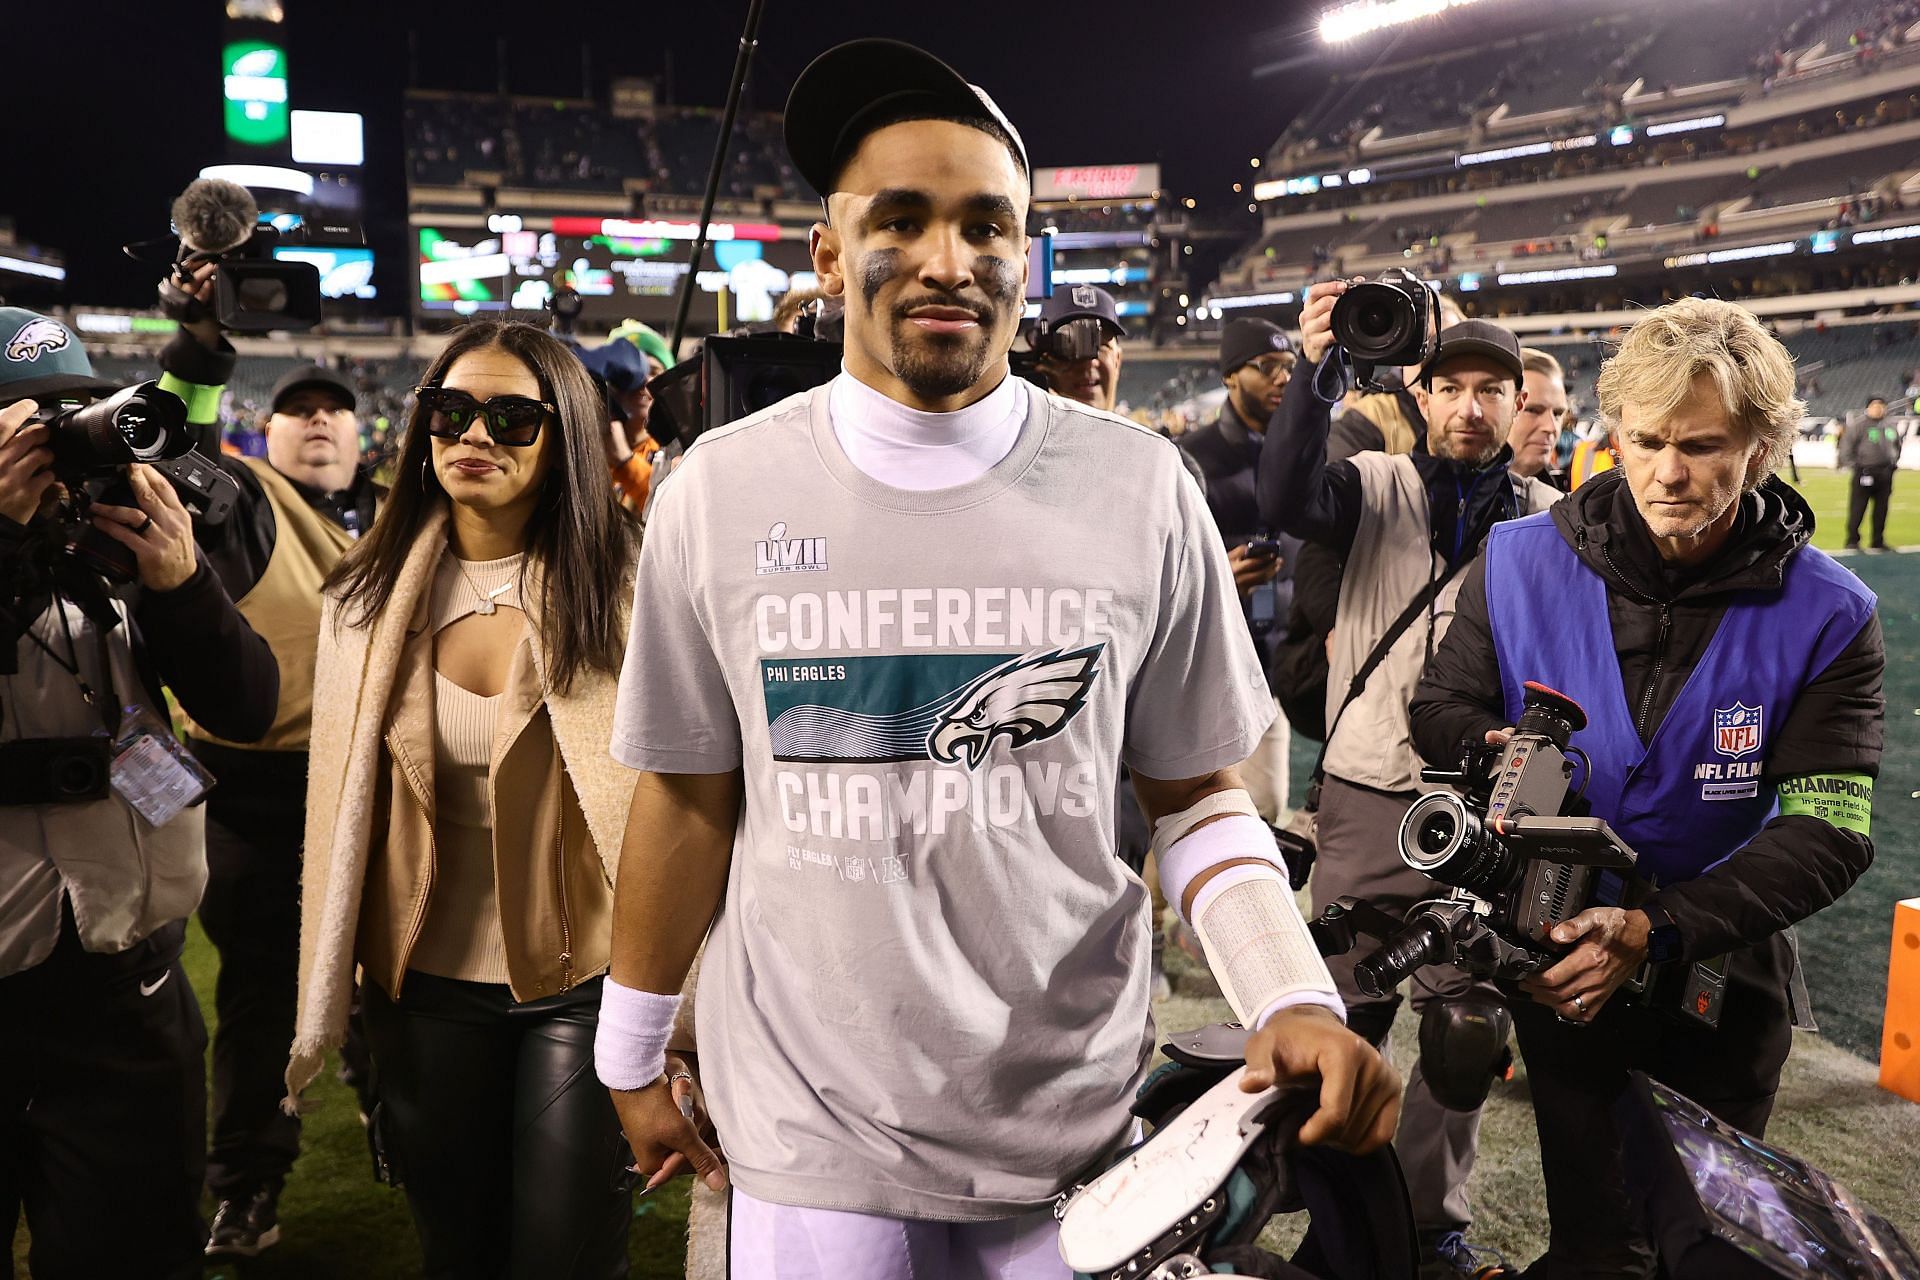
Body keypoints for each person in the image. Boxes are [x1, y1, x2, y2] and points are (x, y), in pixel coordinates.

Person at [597, 39, 1399, 1277]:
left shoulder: (1141, 488)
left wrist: (1289, 988)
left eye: (986, 226)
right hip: (810, 1132)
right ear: (825, 254)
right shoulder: (718, 489)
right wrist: (630, 1045)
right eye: (900, 219)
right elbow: (692, 796)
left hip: (1070, 1126)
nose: (947, 259)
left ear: (1023, 256)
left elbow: (1191, 794)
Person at [1409, 297, 1883, 1279]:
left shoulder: (1835, 611)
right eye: (1648, 439)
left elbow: (1828, 829)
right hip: (1561, 953)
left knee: (1701, 1247)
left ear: (1762, 446)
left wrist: (1658, 927)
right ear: (1614, 435)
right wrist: (1495, 744)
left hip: (1722, 973)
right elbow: (1441, 704)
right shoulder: (1517, 561)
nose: (1669, 470)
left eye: (1703, 444)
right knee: (1593, 1240)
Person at [285, 320, 670, 1279]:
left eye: (510, 418)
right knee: (457, 1255)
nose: (474, 436)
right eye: (451, 412)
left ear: (567, 437)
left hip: (587, 981)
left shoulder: (638, 586)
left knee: (565, 1258)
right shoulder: (362, 601)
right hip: (420, 989)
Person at [1258, 296, 1558, 1277]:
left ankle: (1431, 1218)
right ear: (1422, 395)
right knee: (1338, 1012)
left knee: (1469, 1027)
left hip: (1485, 811)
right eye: (1452, 386)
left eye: (1492, 390)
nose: (1471, 406)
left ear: (1521, 404)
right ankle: (1328, 1207)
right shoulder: (1375, 483)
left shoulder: (1553, 523)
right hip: (1366, 787)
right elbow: (1285, 493)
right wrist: (1316, 372)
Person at [0, 308, 279, 1279]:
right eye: (24, 419)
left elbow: (246, 704)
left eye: (72, 414)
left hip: (129, 993)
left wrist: (182, 582)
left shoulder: (115, 543)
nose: (57, 442)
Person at [161, 324, 382, 1256]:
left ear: (362, 434)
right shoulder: (248, 501)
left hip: (390, 783)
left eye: (333, 407)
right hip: (260, 789)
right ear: (268, 438)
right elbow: (177, 452)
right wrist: (197, 351)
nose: (318, 418)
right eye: (296, 409)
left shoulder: (417, 504)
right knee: (259, 994)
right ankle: (247, 1185)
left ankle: (403, 1120)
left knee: (407, 977)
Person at [1180, 316, 1301, 821]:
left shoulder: (1301, 451)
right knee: (1197, 809)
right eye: (1267, 367)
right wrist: (1220, 579)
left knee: (1267, 805)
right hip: (1212, 664)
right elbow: (1168, 570)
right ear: (1231, 375)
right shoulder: (1191, 457)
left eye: (1290, 368)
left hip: (1281, 660)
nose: (1282, 379)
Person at [1027, 282, 1127, 412]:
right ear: (1042, 361)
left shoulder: (1140, 433)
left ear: (1117, 361)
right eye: (1069, 344)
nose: (1088, 362)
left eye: (1101, 346)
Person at [1841, 393, 1900, 550]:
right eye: (1874, 405)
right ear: (1868, 408)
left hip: (1885, 473)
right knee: (1858, 508)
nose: (1878, 409)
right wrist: (1856, 467)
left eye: (1881, 405)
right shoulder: (1859, 426)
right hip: (1864, 473)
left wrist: (1894, 462)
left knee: (1882, 509)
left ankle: (1878, 541)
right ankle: (1852, 540)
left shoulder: (1890, 425)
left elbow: (1897, 446)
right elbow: (1846, 447)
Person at [1512, 347, 1569, 484]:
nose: (1551, 427)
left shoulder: (1561, 501)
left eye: (1557, 414)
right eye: (1532, 410)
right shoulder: (1454, 499)